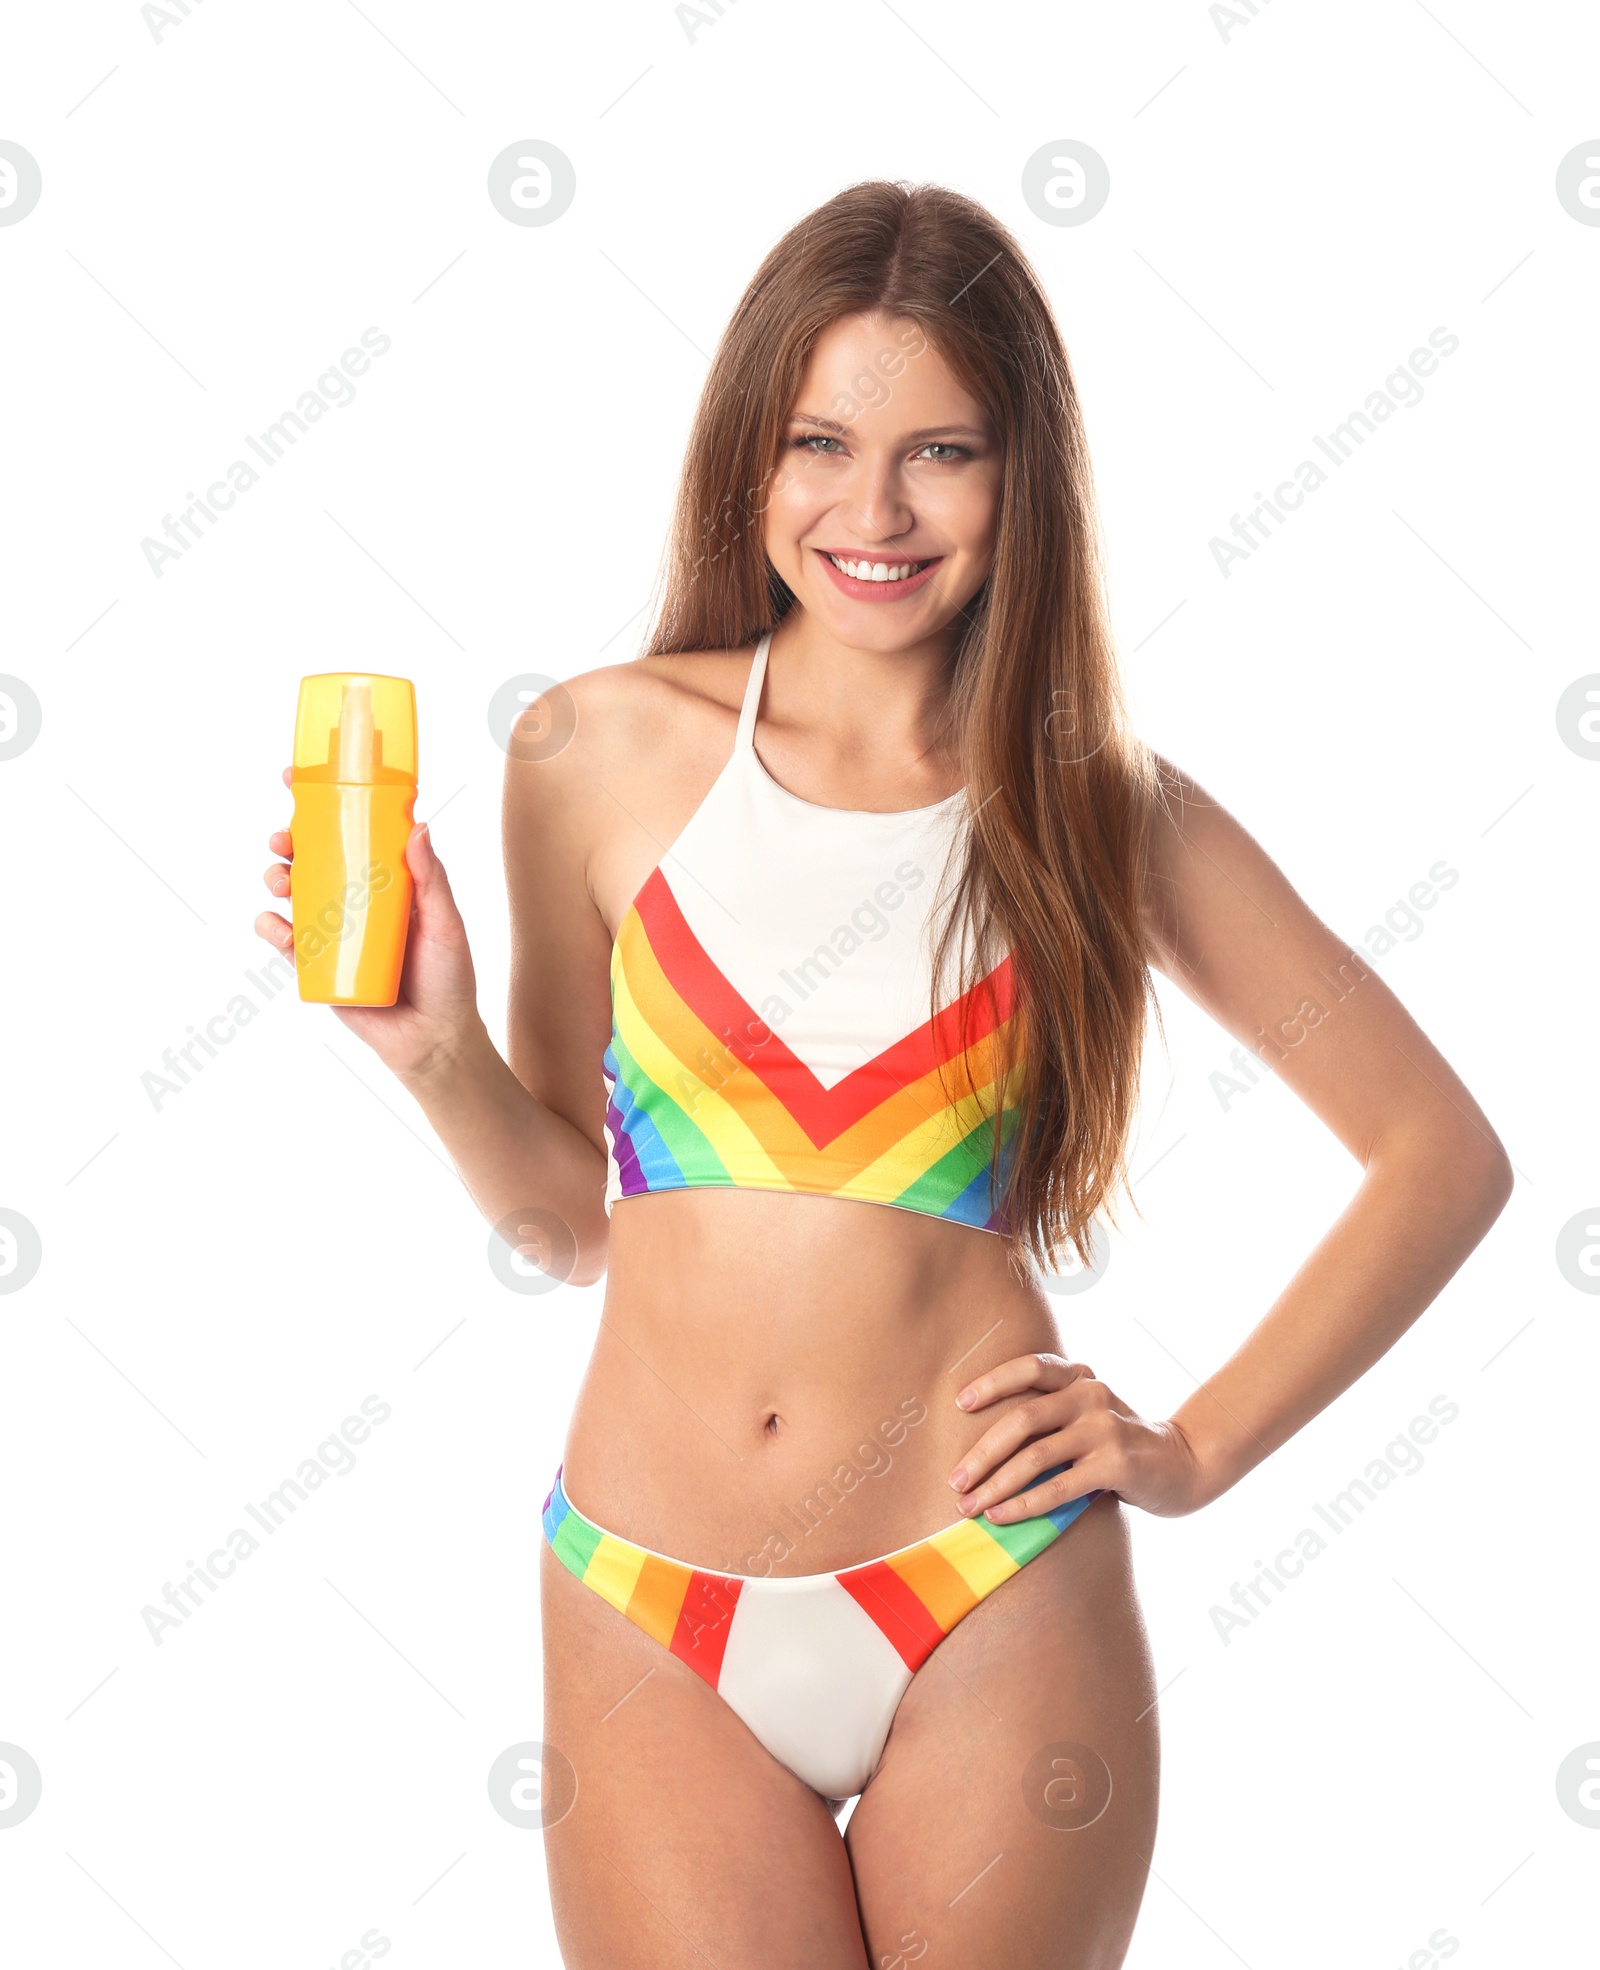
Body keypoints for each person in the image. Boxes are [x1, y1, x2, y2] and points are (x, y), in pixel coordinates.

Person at [256, 180, 1513, 1969]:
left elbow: (1438, 1154)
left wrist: (1196, 1448)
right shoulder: (592, 748)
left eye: (944, 452)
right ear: (748, 458)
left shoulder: (1097, 808)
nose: (873, 510)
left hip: (988, 1586)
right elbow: (568, 1220)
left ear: (1027, 481)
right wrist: (436, 1049)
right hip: (644, 1599)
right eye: (821, 443)